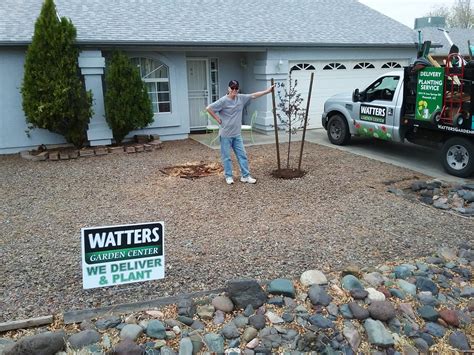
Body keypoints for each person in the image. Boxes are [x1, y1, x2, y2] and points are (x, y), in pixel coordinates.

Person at [206, 80, 274, 185]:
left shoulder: (241, 98)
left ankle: (245, 176)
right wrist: (218, 119)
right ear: (228, 89)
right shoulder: (223, 101)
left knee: (242, 155)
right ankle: (228, 176)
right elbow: (209, 108)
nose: (234, 90)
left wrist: (268, 91)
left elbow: (253, 95)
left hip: (237, 135)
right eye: (232, 88)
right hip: (225, 135)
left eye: (236, 88)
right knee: (227, 157)